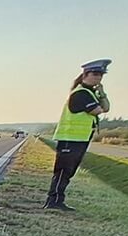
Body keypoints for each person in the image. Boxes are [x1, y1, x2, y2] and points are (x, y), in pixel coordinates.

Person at [44, 58, 112, 211]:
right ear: (85, 75)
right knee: (63, 171)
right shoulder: (81, 93)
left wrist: (102, 93)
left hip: (79, 139)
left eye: (101, 75)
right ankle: (53, 201)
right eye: (95, 74)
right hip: (70, 138)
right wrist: (100, 99)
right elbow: (98, 110)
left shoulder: (90, 92)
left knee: (68, 172)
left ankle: (58, 201)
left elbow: (106, 108)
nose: (98, 77)